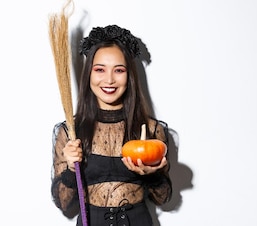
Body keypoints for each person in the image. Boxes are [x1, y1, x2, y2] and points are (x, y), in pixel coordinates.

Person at [51, 24, 172, 226]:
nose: (109, 80)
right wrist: (72, 169)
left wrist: (155, 175)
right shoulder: (70, 131)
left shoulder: (150, 129)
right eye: (100, 70)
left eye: (119, 70)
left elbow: (163, 198)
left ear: (129, 76)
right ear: (89, 73)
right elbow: (64, 204)